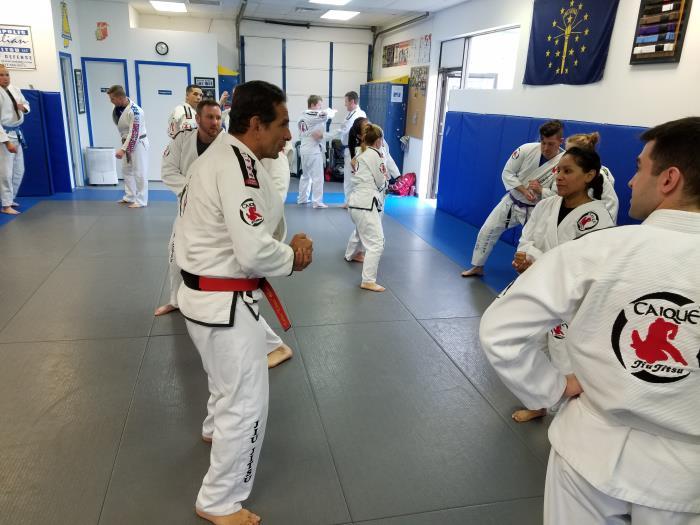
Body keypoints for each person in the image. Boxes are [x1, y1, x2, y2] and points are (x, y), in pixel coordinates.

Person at [479, 117, 700, 524]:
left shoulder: (603, 247)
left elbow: (500, 329)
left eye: (639, 168)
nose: (630, 181)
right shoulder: (584, 234)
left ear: (669, 179)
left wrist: (551, 387)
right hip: (687, 480)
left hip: (589, 450)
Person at [175, 80, 313, 525]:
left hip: (203, 297)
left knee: (224, 383)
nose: (288, 135)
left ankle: (214, 430)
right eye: (283, 124)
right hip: (224, 303)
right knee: (247, 404)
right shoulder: (236, 167)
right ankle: (219, 501)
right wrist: (294, 256)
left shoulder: (221, 155)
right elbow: (253, 251)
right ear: (256, 124)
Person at [509, 147, 615, 422]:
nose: (559, 176)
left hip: (570, 301)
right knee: (530, 347)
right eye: (558, 170)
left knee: (563, 356)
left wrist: (536, 261)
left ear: (589, 175)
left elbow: (585, 265)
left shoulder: (596, 217)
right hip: (537, 290)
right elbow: (527, 239)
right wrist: (524, 257)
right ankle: (537, 402)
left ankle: (568, 417)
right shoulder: (546, 205)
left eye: (568, 171)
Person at [461, 120, 565, 277]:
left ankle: (526, 279)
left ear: (560, 141)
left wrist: (541, 190)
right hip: (512, 201)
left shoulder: (564, 161)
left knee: (531, 246)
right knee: (487, 230)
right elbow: (507, 173)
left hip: (537, 210)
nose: (545, 148)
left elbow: (560, 195)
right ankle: (477, 266)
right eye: (543, 142)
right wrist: (524, 190)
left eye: (551, 144)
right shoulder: (526, 149)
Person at [344, 124, 390, 292]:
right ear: (378, 140)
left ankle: (351, 254)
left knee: (361, 231)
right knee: (377, 243)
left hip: (356, 203)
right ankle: (368, 280)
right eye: (382, 140)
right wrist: (386, 180)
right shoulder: (375, 154)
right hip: (365, 203)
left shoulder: (359, 152)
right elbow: (380, 180)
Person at [544, 132, 619, 222]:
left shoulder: (599, 175)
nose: (567, 154)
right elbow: (557, 195)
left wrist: (603, 226)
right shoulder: (561, 170)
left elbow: (611, 206)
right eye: (566, 151)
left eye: (571, 151)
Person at [107, 85, 149, 208]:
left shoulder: (135, 111)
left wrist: (123, 150)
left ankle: (141, 200)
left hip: (139, 142)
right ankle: (130, 196)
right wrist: (124, 147)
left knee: (140, 172)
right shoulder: (117, 108)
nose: (111, 101)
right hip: (126, 141)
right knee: (126, 170)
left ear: (120, 98)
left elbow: (134, 133)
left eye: (112, 99)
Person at [0, 64, 30, 215]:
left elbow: (26, 104)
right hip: (4, 136)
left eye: (7, 74)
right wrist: (6, 142)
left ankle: (10, 199)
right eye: (1, 75)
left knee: (19, 170)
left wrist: (23, 108)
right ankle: (6, 205)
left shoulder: (15, 89)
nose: (5, 78)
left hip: (17, 133)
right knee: (5, 172)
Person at [297, 95, 336, 208]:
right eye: (319, 105)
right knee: (318, 177)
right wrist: (332, 111)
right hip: (312, 150)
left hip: (304, 149)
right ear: (312, 105)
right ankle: (317, 202)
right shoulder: (311, 114)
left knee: (305, 176)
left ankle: (302, 198)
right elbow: (324, 115)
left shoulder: (301, 116)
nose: (320, 108)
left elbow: (321, 118)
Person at [338, 90, 366, 206]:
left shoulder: (359, 115)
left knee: (353, 178)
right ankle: (348, 201)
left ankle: (353, 202)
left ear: (352, 101)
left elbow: (346, 131)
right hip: (348, 149)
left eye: (346, 102)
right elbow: (343, 130)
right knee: (348, 178)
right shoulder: (350, 114)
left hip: (355, 150)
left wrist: (325, 135)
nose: (345, 104)